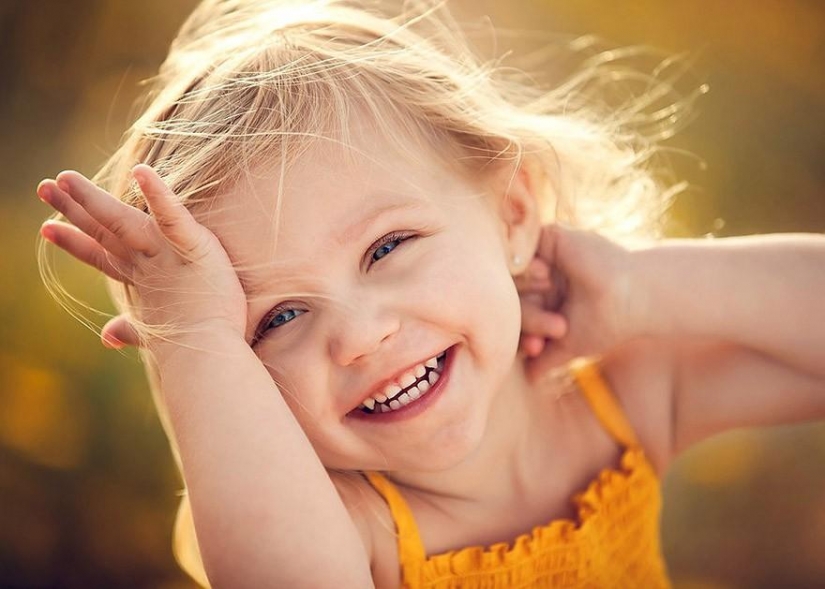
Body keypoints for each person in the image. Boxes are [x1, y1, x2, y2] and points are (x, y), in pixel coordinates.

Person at [36, 0, 825, 587]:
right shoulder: (347, 523)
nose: (360, 335)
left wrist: (639, 288)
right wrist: (197, 340)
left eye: (387, 247)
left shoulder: (614, 402)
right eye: (277, 317)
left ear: (511, 213)